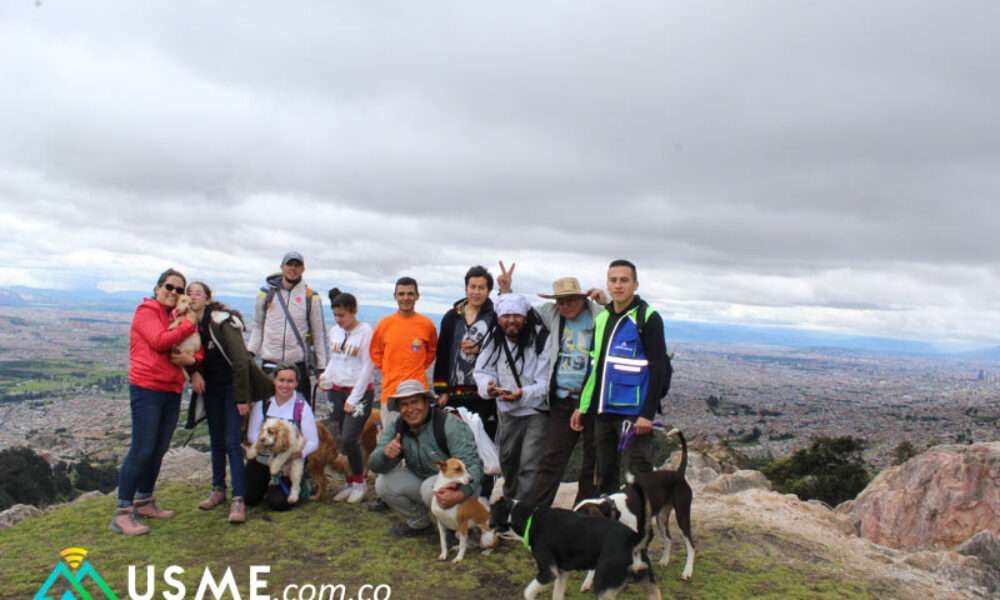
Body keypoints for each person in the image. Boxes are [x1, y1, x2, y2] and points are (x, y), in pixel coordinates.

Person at [495, 263, 607, 507]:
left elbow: (621, 323)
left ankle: (585, 515)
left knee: (592, 461)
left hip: (592, 400)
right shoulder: (551, 313)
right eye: (560, 301)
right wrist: (506, 290)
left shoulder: (600, 315)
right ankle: (536, 515)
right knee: (550, 460)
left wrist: (607, 303)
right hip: (561, 400)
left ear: (581, 298)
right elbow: (518, 313)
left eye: (570, 300)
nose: (564, 306)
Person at [111, 268, 200, 535]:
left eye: (179, 289)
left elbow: (190, 349)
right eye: (169, 287)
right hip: (147, 388)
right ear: (157, 288)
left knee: (159, 447)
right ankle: (123, 512)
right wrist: (188, 324)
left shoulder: (171, 315)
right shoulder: (146, 312)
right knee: (142, 448)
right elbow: (160, 342)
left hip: (171, 388)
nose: (173, 292)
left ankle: (144, 500)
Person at [571, 259, 670, 494]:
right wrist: (582, 406)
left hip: (634, 413)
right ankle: (610, 526)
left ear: (635, 284)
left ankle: (641, 526)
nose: (618, 285)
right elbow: (595, 367)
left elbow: (658, 368)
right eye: (613, 280)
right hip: (604, 412)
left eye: (624, 280)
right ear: (607, 283)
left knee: (639, 474)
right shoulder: (603, 318)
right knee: (605, 474)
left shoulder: (648, 318)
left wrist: (647, 414)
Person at [186, 282, 275, 524]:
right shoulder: (191, 325)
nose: (192, 298)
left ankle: (238, 497)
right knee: (216, 440)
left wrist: (241, 398)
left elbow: (240, 360)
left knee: (232, 442)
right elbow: (189, 354)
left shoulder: (222, 322)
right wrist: (193, 372)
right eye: (189, 293)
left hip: (231, 390)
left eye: (197, 293)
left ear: (207, 299)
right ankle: (217, 489)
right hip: (211, 390)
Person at [369, 380, 483, 537]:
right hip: (425, 483)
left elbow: (473, 465)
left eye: (415, 402)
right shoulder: (397, 426)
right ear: (399, 408)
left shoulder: (449, 424)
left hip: (460, 486)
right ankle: (420, 524)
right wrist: (385, 455)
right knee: (383, 483)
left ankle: (454, 529)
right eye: (404, 404)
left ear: (427, 402)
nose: (410, 409)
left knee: (430, 489)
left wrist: (460, 494)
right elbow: (374, 465)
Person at [473, 293, 551, 500]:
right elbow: (482, 370)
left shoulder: (541, 338)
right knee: (508, 461)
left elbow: (545, 382)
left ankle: (521, 511)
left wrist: (522, 394)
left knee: (529, 463)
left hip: (536, 410)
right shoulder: (495, 337)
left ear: (525, 317)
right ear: (499, 319)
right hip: (507, 412)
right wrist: (487, 387)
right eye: (506, 316)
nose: (511, 320)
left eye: (516, 315)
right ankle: (509, 502)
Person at [432, 265, 498, 497]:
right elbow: (443, 351)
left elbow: (501, 349)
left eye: (481, 287)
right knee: (457, 442)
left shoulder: (495, 316)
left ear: (489, 290)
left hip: (484, 393)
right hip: (456, 391)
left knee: (485, 442)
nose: (476, 292)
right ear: (466, 288)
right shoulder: (452, 317)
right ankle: (456, 491)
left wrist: (480, 349)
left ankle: (484, 495)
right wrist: (442, 389)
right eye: (472, 287)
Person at [318, 289, 375, 504]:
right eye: (336, 315)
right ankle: (349, 482)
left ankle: (360, 483)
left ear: (353, 312)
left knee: (351, 437)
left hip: (358, 392)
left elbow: (368, 367)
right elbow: (336, 358)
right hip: (337, 391)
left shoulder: (365, 332)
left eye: (342, 315)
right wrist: (326, 377)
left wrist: (354, 399)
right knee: (343, 439)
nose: (338, 320)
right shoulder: (335, 332)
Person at [248, 251, 328, 404]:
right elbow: (258, 326)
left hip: (297, 363)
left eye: (297, 265)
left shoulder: (310, 296)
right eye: (289, 264)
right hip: (271, 361)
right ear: (282, 267)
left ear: (303, 269)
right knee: (267, 410)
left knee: (299, 412)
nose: (293, 269)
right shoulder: (266, 292)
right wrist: (250, 353)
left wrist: (322, 368)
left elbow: (319, 333)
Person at [245, 364, 320, 511]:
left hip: (288, 460)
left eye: (290, 381)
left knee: (279, 504)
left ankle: (299, 486)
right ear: (274, 381)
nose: (285, 385)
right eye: (281, 380)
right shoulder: (263, 404)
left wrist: (299, 454)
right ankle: (264, 484)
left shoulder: (301, 407)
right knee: (249, 498)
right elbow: (252, 434)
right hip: (263, 457)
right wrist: (269, 448)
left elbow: (313, 441)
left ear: (296, 383)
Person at [370, 276, 438, 422]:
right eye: (401, 294)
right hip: (391, 392)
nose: (405, 298)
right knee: (392, 439)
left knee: (421, 440)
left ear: (417, 296)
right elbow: (375, 352)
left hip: (418, 391)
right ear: (395, 296)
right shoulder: (385, 324)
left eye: (410, 293)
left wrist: (416, 367)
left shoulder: (426, 325)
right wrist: (390, 368)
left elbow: (432, 351)